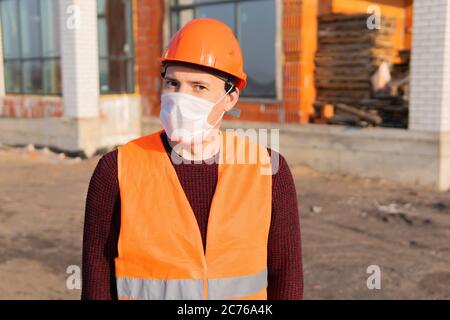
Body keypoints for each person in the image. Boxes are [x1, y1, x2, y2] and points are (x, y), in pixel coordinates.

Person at [81, 18, 303, 300]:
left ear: (230, 98)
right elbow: (97, 276)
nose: (181, 98)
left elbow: (287, 277)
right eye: (173, 83)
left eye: (199, 87)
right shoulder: (117, 168)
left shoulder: (268, 169)